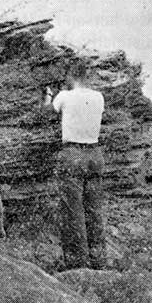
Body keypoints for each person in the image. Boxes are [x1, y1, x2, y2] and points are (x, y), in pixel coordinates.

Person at [44, 59, 107, 269]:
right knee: (94, 210)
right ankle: (99, 262)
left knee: (73, 212)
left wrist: (48, 96)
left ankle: (78, 266)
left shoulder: (64, 96)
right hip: (95, 155)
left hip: (73, 155)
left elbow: (48, 112)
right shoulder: (98, 97)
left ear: (71, 75)